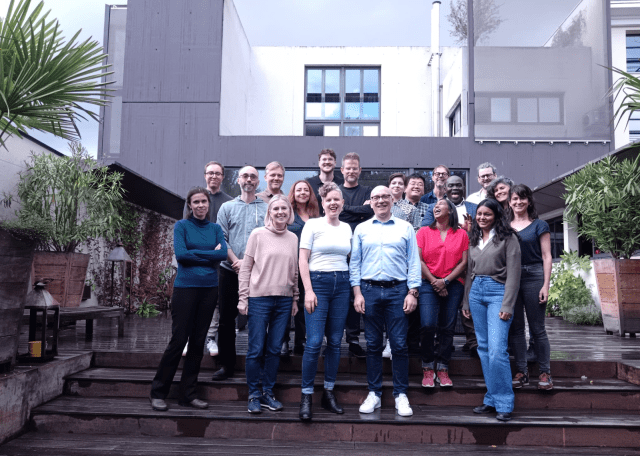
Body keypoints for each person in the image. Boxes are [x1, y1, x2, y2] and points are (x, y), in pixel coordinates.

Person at [149, 187, 227, 411]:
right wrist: (210, 254)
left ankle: (188, 394)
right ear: (190, 205)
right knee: (179, 339)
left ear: (208, 205)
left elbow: (222, 255)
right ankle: (158, 392)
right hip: (185, 289)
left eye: (204, 201)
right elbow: (181, 255)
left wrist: (198, 255)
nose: (201, 205)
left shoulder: (215, 228)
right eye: (196, 202)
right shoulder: (181, 226)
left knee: (198, 342)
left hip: (209, 289)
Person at [350, 186, 421, 417]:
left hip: (397, 291)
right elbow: (355, 264)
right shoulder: (361, 229)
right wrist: (357, 293)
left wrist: (412, 292)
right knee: (372, 345)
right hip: (369, 290)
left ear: (392, 200)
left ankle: (400, 394)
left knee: (399, 344)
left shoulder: (406, 227)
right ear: (370, 202)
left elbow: (413, 261)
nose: (380, 200)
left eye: (384, 197)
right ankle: (375, 393)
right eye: (375, 197)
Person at [238, 195, 299, 414]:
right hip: (259, 299)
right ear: (269, 212)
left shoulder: (293, 238)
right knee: (256, 349)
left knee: (274, 349)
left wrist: (295, 299)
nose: (281, 212)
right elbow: (245, 268)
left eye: (285, 208)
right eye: (276, 209)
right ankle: (253, 394)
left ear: (289, 212)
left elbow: (294, 271)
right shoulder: (258, 234)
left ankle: (267, 393)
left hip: (283, 301)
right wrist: (243, 298)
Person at [462, 198, 521, 422]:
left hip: (498, 292)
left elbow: (514, 274)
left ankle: (505, 402)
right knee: (484, 349)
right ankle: (492, 398)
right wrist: (466, 301)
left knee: (497, 350)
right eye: (479, 214)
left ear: (496, 215)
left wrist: (507, 304)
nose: (482, 218)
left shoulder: (509, 237)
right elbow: (470, 271)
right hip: (476, 292)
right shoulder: (474, 237)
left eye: (487, 214)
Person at [298, 182, 353, 421]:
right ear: (323, 203)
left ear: (342, 203)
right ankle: (306, 395)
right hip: (317, 283)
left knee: (335, 342)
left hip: (342, 284)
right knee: (313, 342)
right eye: (328, 200)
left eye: (337, 200)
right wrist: (308, 290)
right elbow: (302, 260)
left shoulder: (347, 228)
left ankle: (328, 392)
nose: (333, 203)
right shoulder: (312, 225)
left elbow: (351, 259)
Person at [212, 166, 267, 381]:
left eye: (253, 176)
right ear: (238, 180)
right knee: (226, 320)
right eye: (245, 176)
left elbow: (271, 237)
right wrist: (237, 261)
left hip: (258, 272)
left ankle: (257, 364)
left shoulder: (267, 207)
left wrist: (250, 263)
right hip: (229, 270)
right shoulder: (226, 208)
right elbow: (220, 238)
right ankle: (227, 365)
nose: (249, 180)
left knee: (258, 319)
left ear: (258, 181)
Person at [181, 161, 232, 358]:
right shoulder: (194, 198)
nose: (214, 176)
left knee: (215, 301)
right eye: (210, 173)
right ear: (205, 175)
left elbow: (226, 236)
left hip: (219, 263)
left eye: (218, 173)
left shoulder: (228, 201)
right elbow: (186, 231)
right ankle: (188, 338)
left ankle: (210, 338)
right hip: (193, 261)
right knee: (192, 300)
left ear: (222, 177)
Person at [417, 198, 469, 388]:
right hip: (427, 283)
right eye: (434, 206)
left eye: (440, 204)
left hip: (454, 283)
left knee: (448, 327)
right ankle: (428, 367)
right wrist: (434, 281)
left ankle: (443, 368)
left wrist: (446, 281)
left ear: (451, 211)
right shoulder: (423, 232)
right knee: (428, 324)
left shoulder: (462, 234)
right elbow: (419, 260)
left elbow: (464, 262)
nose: (435, 207)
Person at [509, 184, 553, 390]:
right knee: (516, 329)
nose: (518, 202)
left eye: (522, 198)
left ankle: (545, 373)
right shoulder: (504, 226)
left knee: (537, 329)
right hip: (511, 278)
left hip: (534, 275)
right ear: (509, 202)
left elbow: (547, 256)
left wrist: (546, 284)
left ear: (529, 201)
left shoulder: (539, 225)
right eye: (515, 199)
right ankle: (521, 371)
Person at [339, 152, 374, 359]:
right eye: (348, 168)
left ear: (360, 170)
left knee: (356, 296)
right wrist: (359, 211)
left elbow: (369, 212)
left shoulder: (368, 190)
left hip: (362, 251)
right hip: (340, 250)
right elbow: (336, 213)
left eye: (355, 168)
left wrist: (347, 209)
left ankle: (353, 339)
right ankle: (334, 338)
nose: (351, 171)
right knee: (339, 297)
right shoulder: (336, 190)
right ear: (342, 170)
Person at [282, 180, 320, 356]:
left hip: (308, 266)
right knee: (285, 303)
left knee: (305, 305)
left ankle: (300, 341)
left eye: (306, 190)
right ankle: (283, 341)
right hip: (288, 264)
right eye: (299, 190)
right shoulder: (287, 214)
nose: (303, 192)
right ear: (293, 193)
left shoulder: (316, 216)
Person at [307, 149, 344, 215]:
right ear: (319, 163)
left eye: (330, 159)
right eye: (324, 159)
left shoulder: (342, 183)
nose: (327, 162)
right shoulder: (309, 183)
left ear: (335, 163)